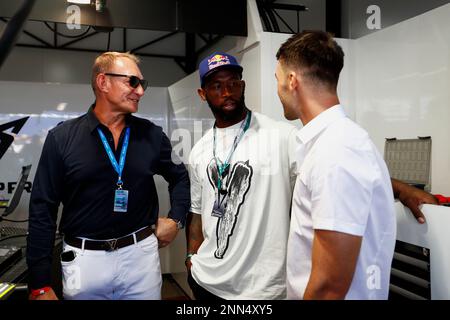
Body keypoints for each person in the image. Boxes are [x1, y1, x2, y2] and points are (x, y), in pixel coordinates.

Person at [185, 52, 437, 300]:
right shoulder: (199, 151)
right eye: (217, 86)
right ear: (202, 94)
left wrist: (402, 189)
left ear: (243, 85)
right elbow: (197, 212)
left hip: (261, 289)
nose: (227, 92)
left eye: (233, 83)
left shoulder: (281, 135)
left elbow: (337, 166)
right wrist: (191, 258)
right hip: (207, 282)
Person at [26, 52, 190, 300]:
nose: (140, 91)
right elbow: (42, 209)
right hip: (83, 261)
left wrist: (175, 219)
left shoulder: (152, 135)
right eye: (132, 82)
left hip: (141, 259)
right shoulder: (61, 139)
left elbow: (180, 178)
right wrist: (39, 283)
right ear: (103, 82)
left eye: (142, 84)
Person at [275, 30, 395, 299]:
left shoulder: (336, 149)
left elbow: (330, 285)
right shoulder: (334, 143)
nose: (278, 90)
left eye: (278, 79)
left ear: (292, 81)